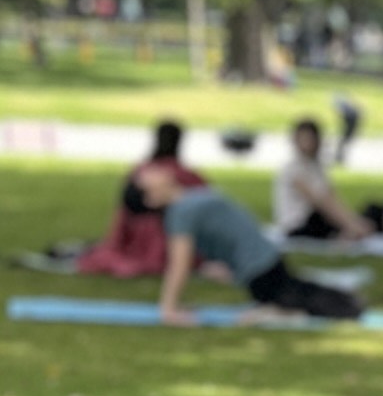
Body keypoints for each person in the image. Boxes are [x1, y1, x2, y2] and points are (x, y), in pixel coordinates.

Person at [156, 181, 362, 324]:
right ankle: (345, 304)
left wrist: (169, 308)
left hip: (263, 263)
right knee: (294, 293)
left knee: (295, 295)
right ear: (150, 199)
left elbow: (185, 261)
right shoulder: (181, 212)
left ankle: (344, 304)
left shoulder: (186, 204)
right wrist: (169, 308)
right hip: (261, 265)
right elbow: (180, 264)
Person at [76, 119, 203, 280]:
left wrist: (116, 240)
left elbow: (123, 210)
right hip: (172, 240)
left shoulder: (139, 170)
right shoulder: (188, 176)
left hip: (136, 239)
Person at [273, 116, 370, 245]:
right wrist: (350, 224)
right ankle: (346, 233)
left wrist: (353, 220)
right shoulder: (293, 169)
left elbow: (332, 198)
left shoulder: (316, 167)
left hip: (315, 217)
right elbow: (319, 201)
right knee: (326, 217)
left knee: (369, 211)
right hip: (299, 225)